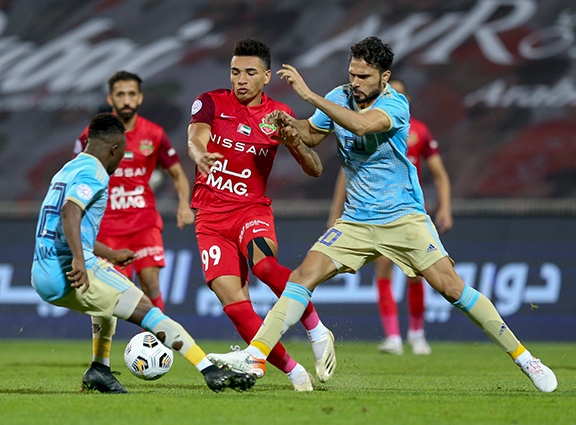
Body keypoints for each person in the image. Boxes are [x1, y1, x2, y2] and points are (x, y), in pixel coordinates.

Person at [207, 37, 557, 393]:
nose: (355, 82)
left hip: (403, 217)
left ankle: (525, 358)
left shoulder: (396, 104)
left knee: (452, 287)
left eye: (364, 76)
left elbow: (361, 126)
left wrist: (309, 96)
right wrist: (289, 127)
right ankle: (256, 355)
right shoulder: (340, 95)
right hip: (356, 221)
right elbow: (311, 134)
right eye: (352, 74)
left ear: (384, 77)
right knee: (302, 276)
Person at [32, 113, 255, 394]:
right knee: (149, 311)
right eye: (121, 154)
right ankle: (209, 370)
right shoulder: (95, 171)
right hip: (71, 269)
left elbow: (64, 224)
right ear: (114, 149)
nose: (119, 161)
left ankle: (100, 369)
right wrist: (79, 258)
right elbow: (70, 211)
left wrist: (109, 253)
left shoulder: (67, 169)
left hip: (42, 272)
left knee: (107, 303)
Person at [186, 38, 335, 391]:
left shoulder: (277, 114)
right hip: (210, 218)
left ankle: (316, 329)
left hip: (250, 210)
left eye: (250, 73)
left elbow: (315, 168)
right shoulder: (211, 102)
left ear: (267, 76)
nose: (241, 79)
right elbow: (196, 136)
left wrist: (293, 142)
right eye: (235, 72)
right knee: (235, 305)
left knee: (265, 267)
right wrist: (200, 154)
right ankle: (295, 373)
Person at [327, 78, 453, 355]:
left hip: (409, 211)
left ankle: (417, 334)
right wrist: (335, 212)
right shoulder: (365, 126)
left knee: (418, 274)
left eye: (400, 93)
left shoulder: (418, 130)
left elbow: (439, 174)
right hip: (376, 211)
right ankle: (393, 337)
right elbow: (346, 172)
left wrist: (445, 207)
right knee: (383, 269)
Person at [74, 71, 195, 313]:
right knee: (116, 293)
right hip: (107, 225)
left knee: (151, 284)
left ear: (140, 98)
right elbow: (76, 176)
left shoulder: (154, 133)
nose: (126, 100)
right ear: (110, 99)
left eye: (131, 94)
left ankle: (157, 336)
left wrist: (184, 205)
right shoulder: (92, 135)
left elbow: (178, 174)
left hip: (144, 222)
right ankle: (106, 339)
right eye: (120, 95)